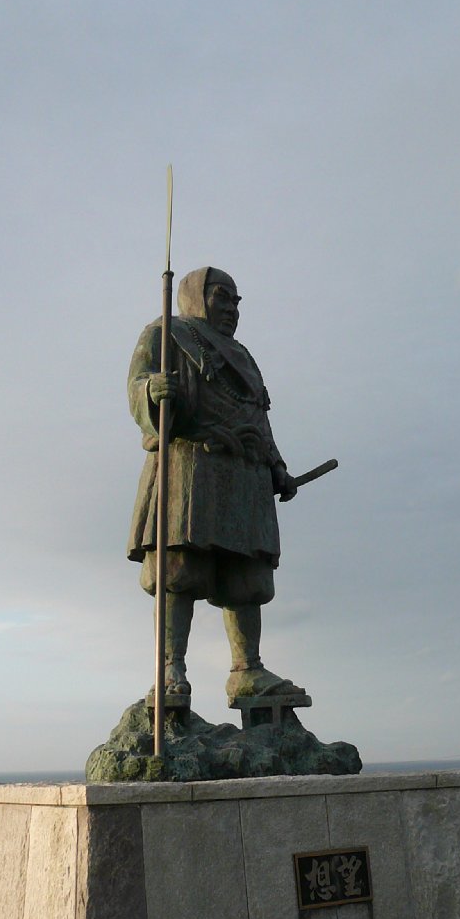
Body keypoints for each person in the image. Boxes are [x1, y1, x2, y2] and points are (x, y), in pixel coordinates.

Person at [127, 266, 304, 701]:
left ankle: (247, 670)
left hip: (245, 472)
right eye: (222, 296)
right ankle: (170, 668)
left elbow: (257, 415)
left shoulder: (243, 355)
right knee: (179, 570)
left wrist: (276, 465)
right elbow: (137, 385)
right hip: (192, 464)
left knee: (247, 577)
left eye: (236, 301)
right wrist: (152, 390)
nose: (231, 308)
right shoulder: (166, 333)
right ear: (195, 295)